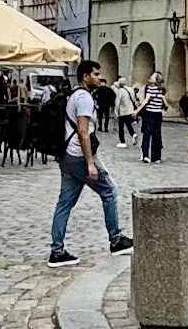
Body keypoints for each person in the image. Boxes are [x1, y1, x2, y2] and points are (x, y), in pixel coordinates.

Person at [48, 60, 134, 267]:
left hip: (67, 156)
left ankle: (57, 251)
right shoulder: (84, 98)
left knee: (64, 203)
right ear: (85, 76)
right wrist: (90, 164)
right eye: (96, 74)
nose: (100, 78)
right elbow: (83, 132)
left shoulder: (73, 96)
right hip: (79, 155)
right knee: (109, 192)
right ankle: (116, 240)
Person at [140, 74, 166, 163]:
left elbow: (145, 101)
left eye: (152, 77)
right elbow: (165, 104)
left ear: (156, 80)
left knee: (148, 134)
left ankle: (146, 155)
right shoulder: (161, 89)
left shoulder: (151, 88)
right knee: (156, 135)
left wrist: (137, 110)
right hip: (157, 113)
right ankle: (156, 157)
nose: (150, 77)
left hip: (150, 113)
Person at [116, 81, 138, 148]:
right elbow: (134, 99)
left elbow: (117, 102)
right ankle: (133, 134)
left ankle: (122, 142)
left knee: (121, 126)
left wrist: (116, 112)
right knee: (128, 124)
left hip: (123, 111)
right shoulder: (130, 89)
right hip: (130, 110)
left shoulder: (120, 91)